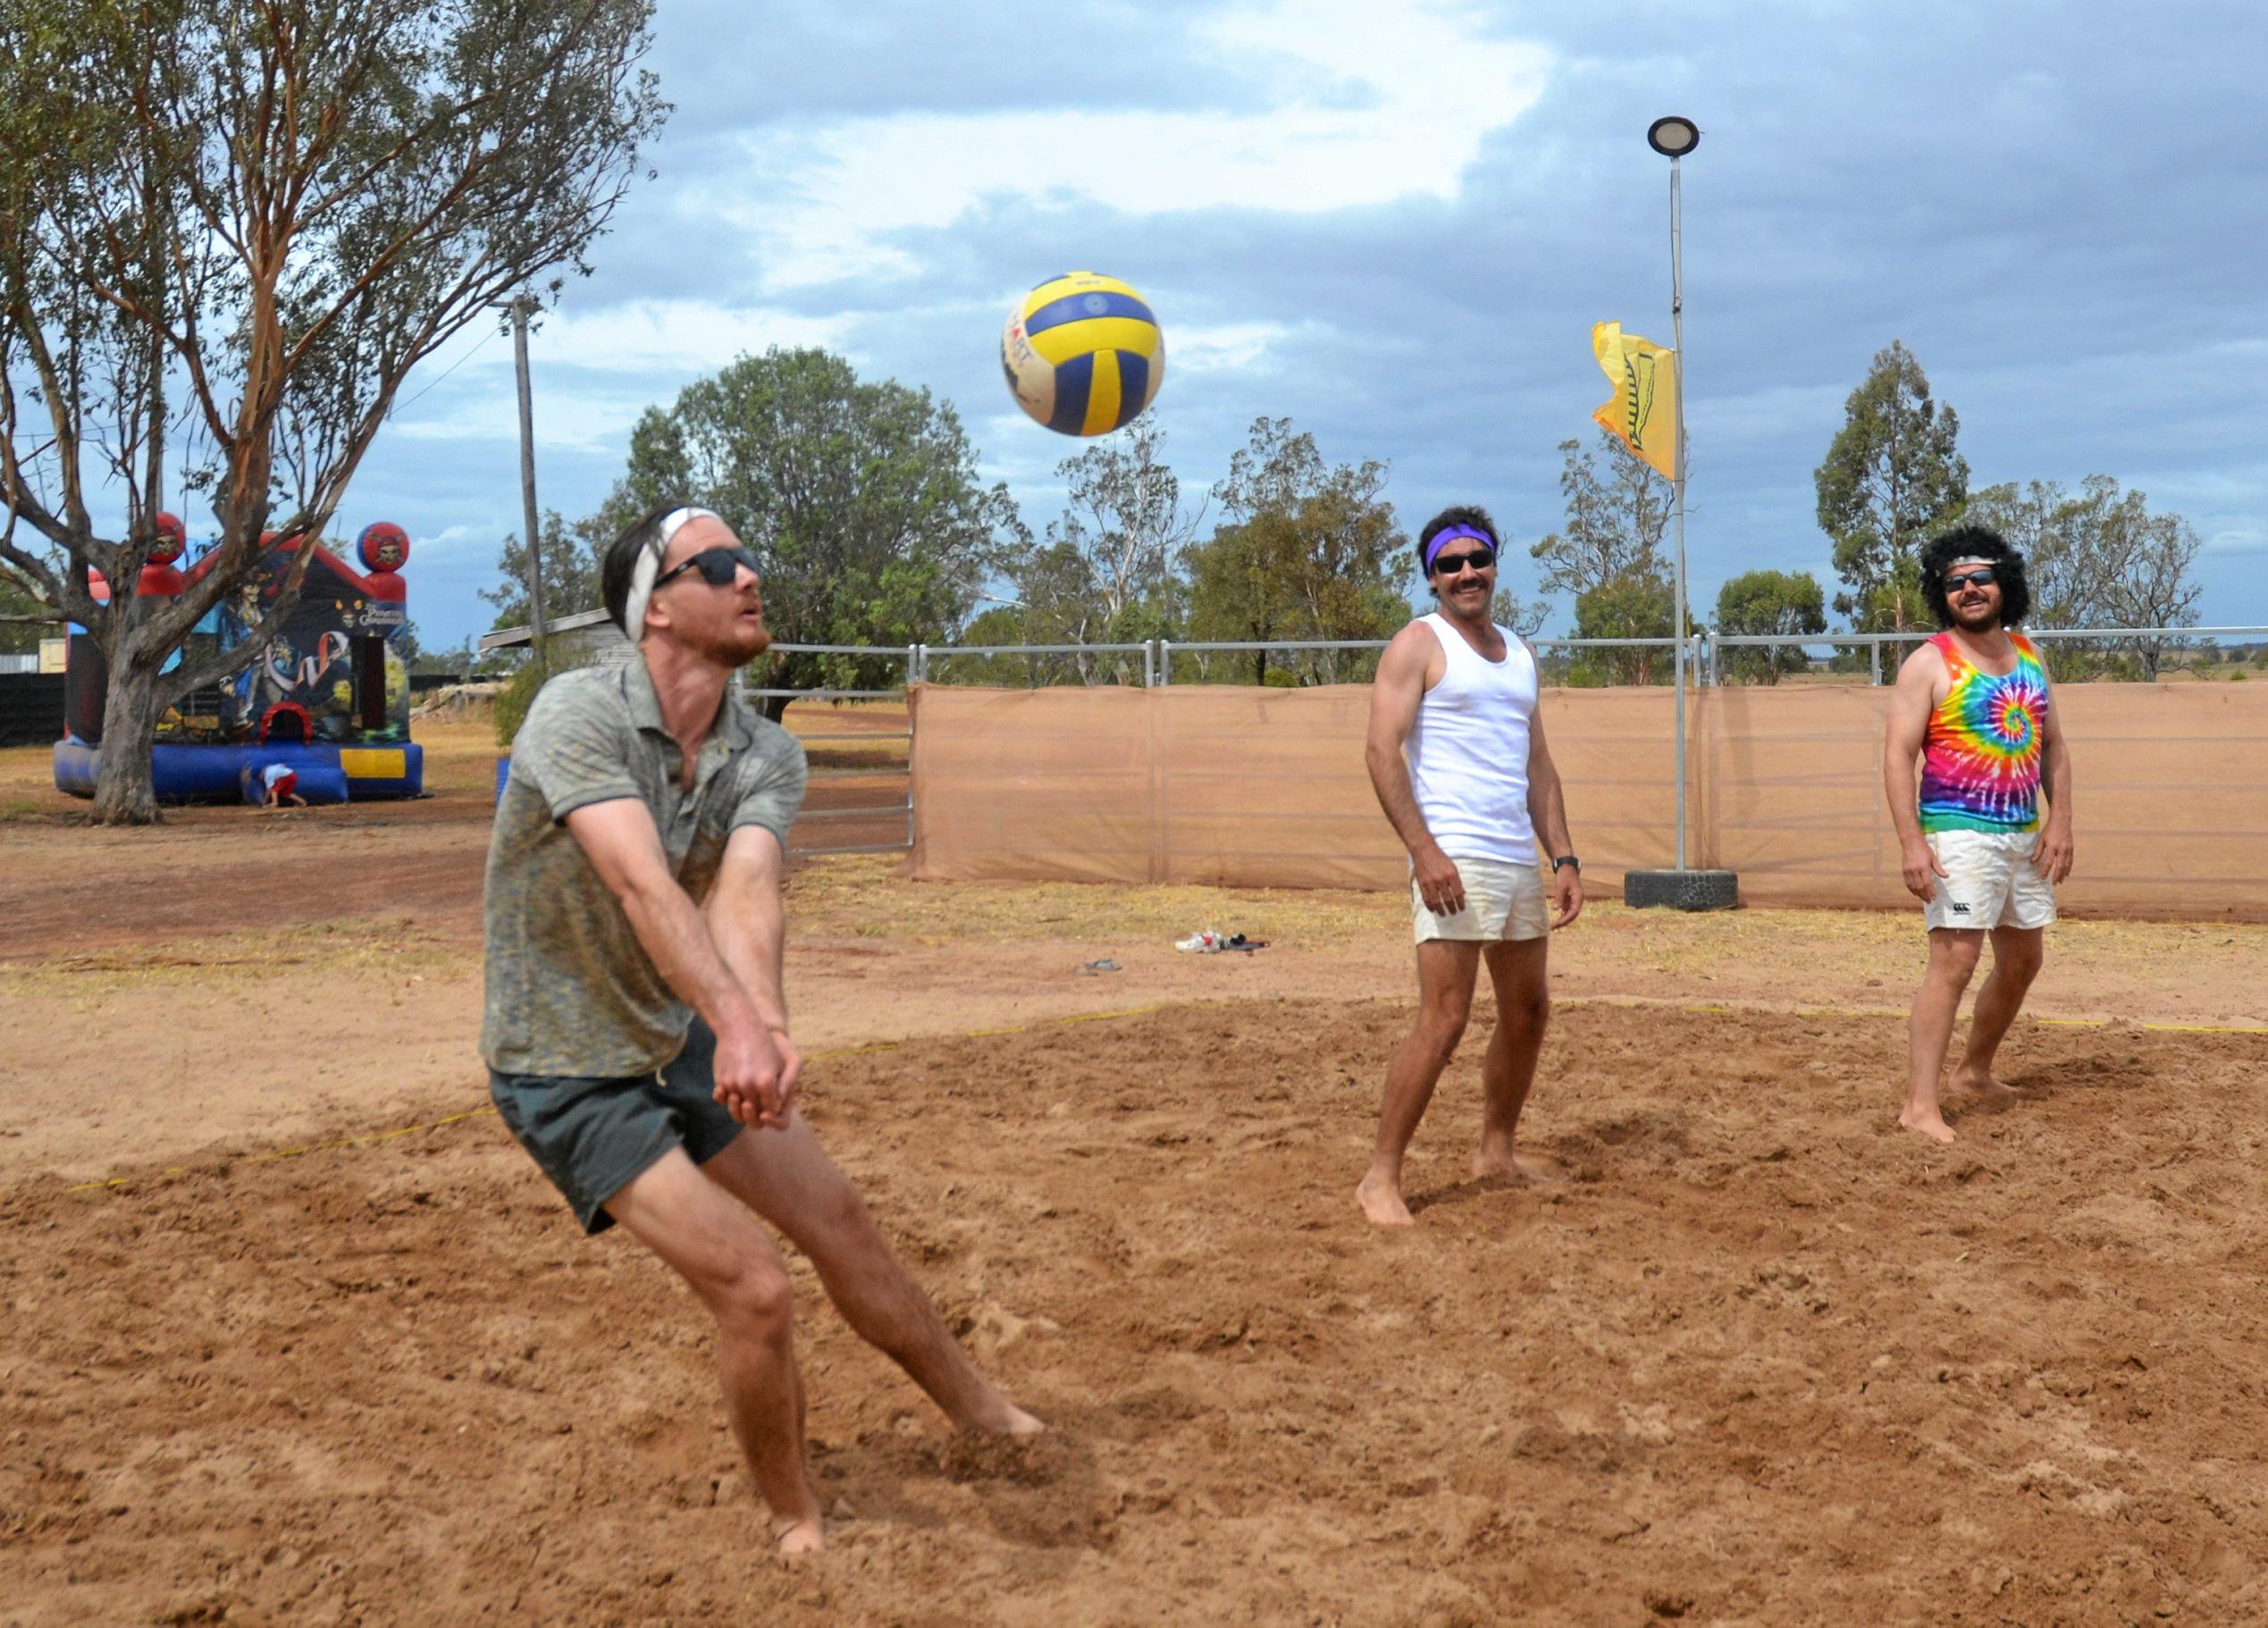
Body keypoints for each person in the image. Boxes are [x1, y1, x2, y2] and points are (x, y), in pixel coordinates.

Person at [481, 502, 1040, 1555]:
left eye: (750, 562)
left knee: (840, 1219)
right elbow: (645, 885)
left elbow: (745, 888)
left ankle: (983, 1410)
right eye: (720, 562)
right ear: (655, 606)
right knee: (756, 1286)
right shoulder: (574, 712)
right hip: (564, 1065)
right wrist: (732, 1022)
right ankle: (795, 1518)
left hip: (672, 1030)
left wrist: (762, 1025)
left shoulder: (764, 750)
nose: (750, 577)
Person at [1357, 507, 1583, 1226]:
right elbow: (1379, 753)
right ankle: (1380, 1179)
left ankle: (1496, 1151)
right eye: (1449, 564)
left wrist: (1564, 856)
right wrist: (1424, 851)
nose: (1465, 574)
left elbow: (1537, 763)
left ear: (1494, 565)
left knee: (1528, 1013)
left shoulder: (1519, 652)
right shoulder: (1417, 645)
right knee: (1445, 1018)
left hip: (1516, 856)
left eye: (1476, 559)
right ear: (1432, 576)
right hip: (1452, 856)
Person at [1883, 524, 2074, 1144]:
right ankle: (1919, 1105)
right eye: (1955, 583)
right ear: (1943, 595)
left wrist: (2060, 822)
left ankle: (1974, 1072)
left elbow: (2054, 747)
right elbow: (1896, 756)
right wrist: (1912, 843)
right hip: (1958, 834)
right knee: (1955, 960)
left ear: (2003, 583)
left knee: (2023, 958)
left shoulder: (2027, 653)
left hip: (2023, 835)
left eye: (1980, 578)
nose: (1968, 589)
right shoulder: (1929, 662)